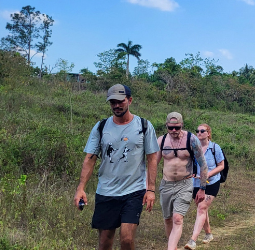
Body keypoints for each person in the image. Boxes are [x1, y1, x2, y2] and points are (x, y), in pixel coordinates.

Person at [74, 84, 160, 250]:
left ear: (129, 100)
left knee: (127, 239)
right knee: (105, 242)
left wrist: (150, 189)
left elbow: (152, 158)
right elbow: (90, 159)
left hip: (134, 191)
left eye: (120, 101)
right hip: (106, 190)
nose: (116, 105)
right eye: (112, 102)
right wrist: (81, 188)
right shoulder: (101, 127)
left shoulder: (144, 126)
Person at [157, 112, 209, 250]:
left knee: (177, 219)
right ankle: (172, 246)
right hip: (166, 184)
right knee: (167, 219)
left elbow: (203, 164)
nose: (174, 131)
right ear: (166, 126)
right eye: (170, 128)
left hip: (184, 184)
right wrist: (147, 187)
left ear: (182, 126)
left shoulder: (191, 139)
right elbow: (152, 165)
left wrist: (202, 188)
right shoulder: (161, 141)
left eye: (177, 128)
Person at [184, 123, 225, 250]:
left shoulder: (215, 147)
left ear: (208, 133)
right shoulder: (193, 148)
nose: (199, 133)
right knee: (202, 209)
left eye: (203, 131)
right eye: (197, 131)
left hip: (212, 182)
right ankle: (208, 234)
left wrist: (208, 174)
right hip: (196, 183)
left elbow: (221, 165)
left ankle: (193, 240)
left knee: (202, 207)